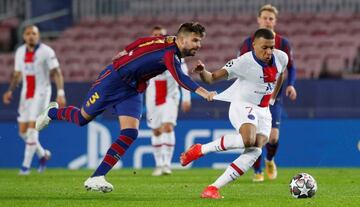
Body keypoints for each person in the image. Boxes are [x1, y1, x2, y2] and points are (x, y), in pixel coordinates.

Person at [35, 22, 216, 192]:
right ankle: (52, 112)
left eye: (200, 40)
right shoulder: (170, 53)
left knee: (130, 133)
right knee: (82, 119)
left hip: (132, 88)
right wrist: (204, 92)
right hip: (112, 82)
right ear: (182, 39)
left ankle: (97, 177)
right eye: (195, 40)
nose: (198, 45)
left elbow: (141, 41)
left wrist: (126, 50)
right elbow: (181, 78)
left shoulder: (168, 40)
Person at [180, 28, 288, 199]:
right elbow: (212, 78)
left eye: (271, 47)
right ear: (254, 45)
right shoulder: (243, 63)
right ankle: (201, 150)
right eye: (264, 48)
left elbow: (281, 74)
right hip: (243, 105)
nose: (268, 52)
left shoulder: (281, 57)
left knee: (256, 150)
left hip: (264, 110)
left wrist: (273, 97)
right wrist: (202, 72)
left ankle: (212, 189)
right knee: (248, 140)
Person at [238, 4, 297, 182]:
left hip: (274, 97)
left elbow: (291, 68)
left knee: (272, 137)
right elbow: (240, 67)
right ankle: (257, 171)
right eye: (265, 17)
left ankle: (269, 160)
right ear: (258, 20)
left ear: (275, 22)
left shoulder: (283, 43)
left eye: (271, 18)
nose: (267, 21)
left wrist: (291, 85)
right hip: (252, 97)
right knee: (254, 136)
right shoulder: (248, 43)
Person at [2, 25, 66, 175]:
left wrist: (61, 92)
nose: (31, 36)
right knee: (22, 132)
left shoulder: (46, 51)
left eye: (34, 33)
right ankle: (43, 155)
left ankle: (25, 168)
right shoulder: (19, 52)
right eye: (28, 33)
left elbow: (56, 72)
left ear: (38, 36)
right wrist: (10, 90)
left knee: (32, 130)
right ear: (24, 36)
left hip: (42, 93)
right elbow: (17, 74)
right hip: (26, 94)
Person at [145, 26, 192, 176]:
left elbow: (184, 77)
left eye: (161, 35)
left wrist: (186, 97)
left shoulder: (176, 55)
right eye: (155, 34)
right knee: (156, 130)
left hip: (170, 96)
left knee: (168, 127)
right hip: (153, 95)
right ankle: (158, 164)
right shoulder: (146, 55)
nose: (158, 36)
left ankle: (167, 164)